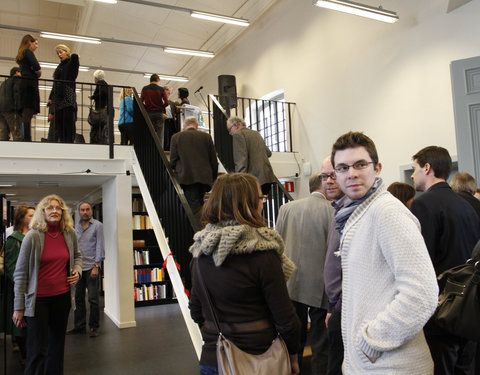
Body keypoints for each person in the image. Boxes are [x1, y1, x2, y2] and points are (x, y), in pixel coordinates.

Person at [331, 131, 438, 374]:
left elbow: (423, 292)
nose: (352, 173)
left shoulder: (386, 211)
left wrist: (371, 340)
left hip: (392, 364)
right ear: (336, 174)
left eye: (360, 164)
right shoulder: (358, 213)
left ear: (377, 168)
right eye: (343, 167)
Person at [189, 173, 301, 375]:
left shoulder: (200, 250)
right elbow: (286, 320)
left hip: (214, 358)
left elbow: (196, 310)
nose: (262, 203)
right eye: (260, 198)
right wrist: (293, 356)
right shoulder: (263, 253)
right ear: (248, 204)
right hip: (260, 359)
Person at [410, 146, 480, 374]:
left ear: (427, 168)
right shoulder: (466, 203)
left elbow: (423, 261)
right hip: (468, 306)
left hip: (441, 309)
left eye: (415, 168)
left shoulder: (423, 204)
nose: (412, 175)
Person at [13, 194, 82, 375]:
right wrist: (18, 307)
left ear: (63, 212)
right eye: (49, 208)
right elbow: (20, 273)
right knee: (38, 350)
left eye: (58, 208)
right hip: (38, 301)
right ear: (42, 212)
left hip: (62, 297)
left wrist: (77, 270)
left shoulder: (70, 233)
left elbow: (78, 256)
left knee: (57, 347)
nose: (54, 211)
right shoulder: (33, 237)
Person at [276, 172, 333, 374]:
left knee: (293, 335)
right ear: (325, 185)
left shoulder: (286, 208)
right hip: (321, 285)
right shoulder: (332, 210)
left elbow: (278, 244)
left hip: (290, 282)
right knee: (320, 341)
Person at [321, 155, 345, 375]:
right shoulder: (337, 210)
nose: (328, 181)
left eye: (333, 175)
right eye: (324, 176)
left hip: (346, 308)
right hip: (336, 306)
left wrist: (336, 305)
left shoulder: (352, 213)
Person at [170, 116, 218, 224]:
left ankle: (198, 231)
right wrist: (213, 177)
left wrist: (175, 172)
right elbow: (213, 160)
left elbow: (172, 160)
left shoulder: (176, 137)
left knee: (194, 207)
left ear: (184, 126)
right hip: (204, 177)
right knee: (198, 204)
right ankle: (201, 229)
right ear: (196, 126)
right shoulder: (206, 137)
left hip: (186, 177)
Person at [3, 204, 35, 364]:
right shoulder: (13, 239)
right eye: (30, 215)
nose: (33, 218)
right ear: (21, 218)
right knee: (21, 323)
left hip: (36, 287)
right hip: (20, 288)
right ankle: (24, 355)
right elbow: (11, 267)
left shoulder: (37, 236)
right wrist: (23, 284)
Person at [68, 201, 104, 338]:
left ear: (91, 211)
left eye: (87, 209)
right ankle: (79, 326)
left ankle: (94, 327)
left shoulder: (97, 226)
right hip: (78, 268)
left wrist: (96, 266)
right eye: (82, 210)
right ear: (79, 212)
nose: (85, 212)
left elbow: (100, 246)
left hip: (91, 267)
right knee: (78, 298)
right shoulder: (74, 228)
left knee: (93, 299)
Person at [227, 116, 276, 195]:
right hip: (267, 177)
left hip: (253, 181)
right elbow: (268, 153)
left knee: (250, 206)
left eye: (229, 129)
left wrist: (239, 182)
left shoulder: (238, 135)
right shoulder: (256, 133)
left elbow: (241, 161)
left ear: (236, 125)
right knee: (260, 205)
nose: (230, 133)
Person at [48, 44, 79, 143]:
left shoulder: (71, 63)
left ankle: (68, 141)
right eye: (58, 53)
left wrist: (73, 56)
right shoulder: (59, 67)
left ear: (67, 52)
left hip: (67, 94)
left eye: (61, 52)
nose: (59, 55)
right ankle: (62, 141)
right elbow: (55, 83)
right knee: (60, 123)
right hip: (58, 97)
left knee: (68, 121)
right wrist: (50, 97)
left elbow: (75, 59)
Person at [15, 34, 41, 141]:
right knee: (28, 111)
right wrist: (37, 71)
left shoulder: (21, 55)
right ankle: (26, 138)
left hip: (24, 83)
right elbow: (37, 67)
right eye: (35, 43)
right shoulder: (28, 52)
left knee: (25, 112)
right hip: (30, 84)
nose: (36, 46)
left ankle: (25, 136)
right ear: (29, 42)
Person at [140, 73, 169, 146]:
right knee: (160, 135)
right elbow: (167, 102)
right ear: (158, 80)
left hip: (149, 113)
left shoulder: (145, 89)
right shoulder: (161, 89)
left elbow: (140, 101)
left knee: (150, 133)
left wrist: (146, 107)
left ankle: (150, 150)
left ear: (150, 80)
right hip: (159, 113)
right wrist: (161, 107)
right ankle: (159, 153)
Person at [0, 66, 22, 141]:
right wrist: (20, 109)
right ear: (16, 72)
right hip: (12, 110)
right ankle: (18, 151)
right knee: (17, 134)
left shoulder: (3, 83)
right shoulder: (17, 80)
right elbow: (17, 94)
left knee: (3, 134)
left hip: (1, 110)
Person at [89, 70, 109, 144]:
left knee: (97, 124)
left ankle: (97, 139)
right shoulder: (105, 84)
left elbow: (102, 93)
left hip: (101, 108)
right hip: (104, 107)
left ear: (96, 77)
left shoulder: (100, 83)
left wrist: (93, 97)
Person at [163, 85, 176, 150]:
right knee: (165, 137)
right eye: (167, 90)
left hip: (171, 122)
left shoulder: (172, 103)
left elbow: (174, 112)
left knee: (171, 137)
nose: (169, 92)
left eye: (170, 91)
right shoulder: (159, 102)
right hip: (164, 121)